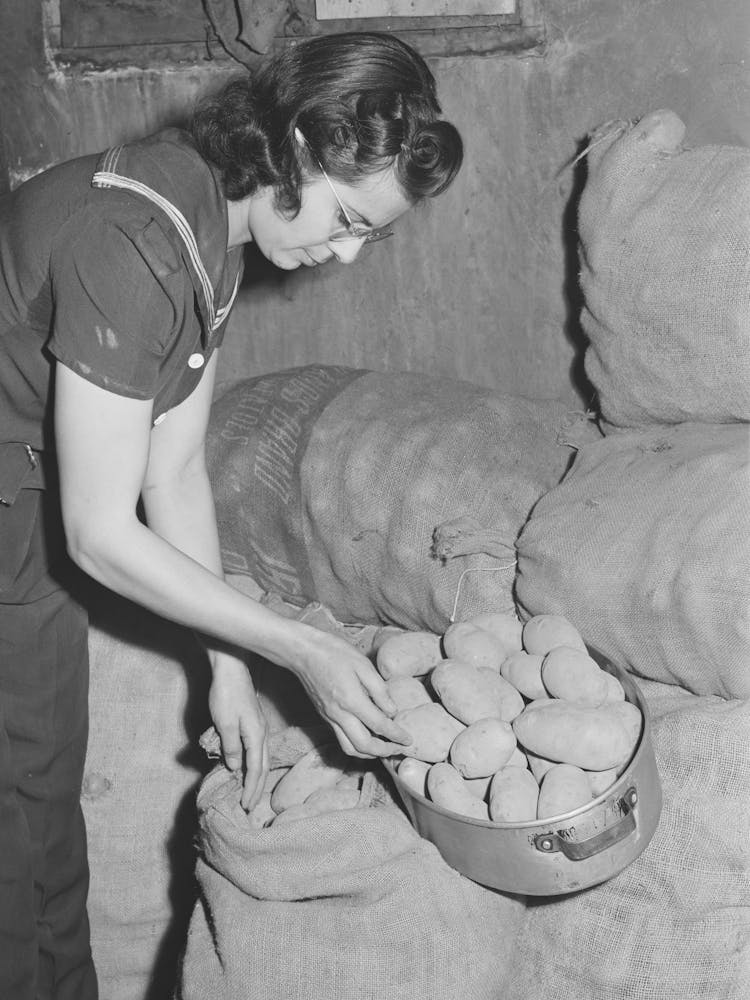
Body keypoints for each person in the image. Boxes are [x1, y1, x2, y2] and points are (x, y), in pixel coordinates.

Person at [0, 29, 463, 1000]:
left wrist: (229, 666)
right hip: (30, 511)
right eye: (345, 217)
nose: (342, 253)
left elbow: (172, 475)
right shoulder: (136, 238)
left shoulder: (209, 237)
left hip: (23, 513)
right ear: (294, 149)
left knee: (43, 808)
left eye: (369, 236)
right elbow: (99, 529)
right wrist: (298, 646)